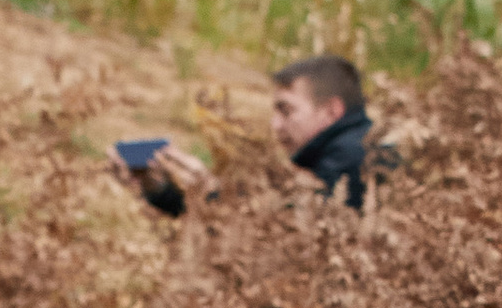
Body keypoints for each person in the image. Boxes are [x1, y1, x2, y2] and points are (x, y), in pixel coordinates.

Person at [111, 55, 394, 219]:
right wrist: (162, 190)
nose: (275, 125)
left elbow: (281, 230)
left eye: (287, 111)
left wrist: (210, 192)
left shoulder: (353, 157)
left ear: (332, 111)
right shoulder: (335, 154)